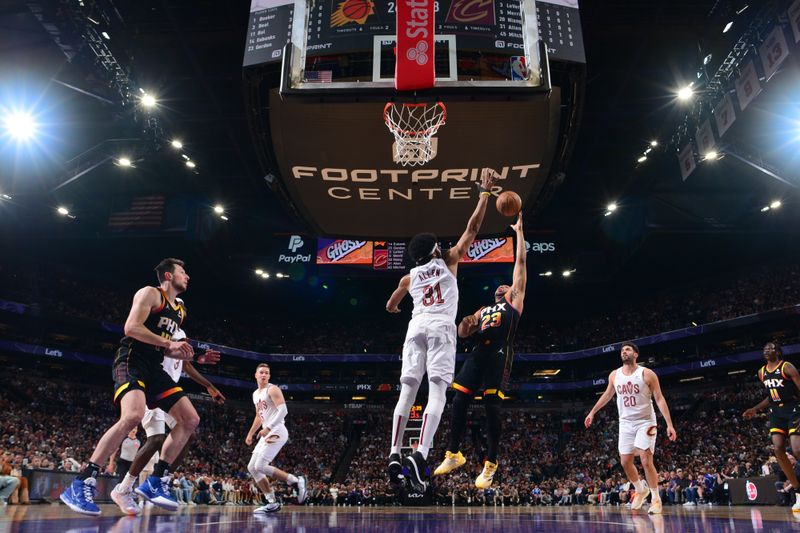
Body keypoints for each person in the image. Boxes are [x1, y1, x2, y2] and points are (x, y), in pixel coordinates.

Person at [60, 258, 202, 516]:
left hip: (154, 366)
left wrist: (187, 356)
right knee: (133, 416)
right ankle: (83, 480)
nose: (188, 276)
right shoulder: (150, 293)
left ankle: (156, 480)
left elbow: (163, 346)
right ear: (168, 276)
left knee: (190, 419)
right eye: (183, 272)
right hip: (131, 360)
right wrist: (169, 344)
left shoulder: (180, 312)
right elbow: (132, 328)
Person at [385, 168, 498, 491]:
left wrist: (395, 307)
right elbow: (472, 228)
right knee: (436, 393)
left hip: (415, 327)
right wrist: (484, 194)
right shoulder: (449, 259)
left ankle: (394, 453)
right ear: (434, 250)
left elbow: (391, 304)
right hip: (440, 328)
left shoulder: (409, 277)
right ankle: (420, 455)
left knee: (407, 391)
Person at [433, 212, 526, 489]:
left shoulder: (515, 301)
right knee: (459, 399)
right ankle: (453, 453)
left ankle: (491, 463)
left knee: (491, 406)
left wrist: (519, 233)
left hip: (500, 353)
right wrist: (466, 323)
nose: (502, 285)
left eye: (506, 285)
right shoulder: (483, 309)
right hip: (477, 352)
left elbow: (520, 262)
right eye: (500, 285)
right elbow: (463, 333)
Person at [110, 324, 224, 515]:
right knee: (156, 439)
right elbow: (163, 350)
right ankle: (124, 488)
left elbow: (186, 364)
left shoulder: (181, 334)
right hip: (153, 387)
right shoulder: (159, 329)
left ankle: (161, 480)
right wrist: (197, 356)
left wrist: (209, 385)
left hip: (168, 392)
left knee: (189, 434)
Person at [584, 342, 677, 514]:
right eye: (622, 350)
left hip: (645, 422)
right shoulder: (614, 375)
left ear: (636, 354)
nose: (624, 352)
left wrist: (669, 424)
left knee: (645, 460)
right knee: (625, 462)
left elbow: (660, 399)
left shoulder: (647, 374)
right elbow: (607, 394)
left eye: (627, 349)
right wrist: (592, 412)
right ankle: (641, 489)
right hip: (625, 423)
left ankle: (656, 499)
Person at [743, 341, 800, 511]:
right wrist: (755, 409)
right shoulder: (761, 372)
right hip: (776, 412)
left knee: (797, 449)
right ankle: (798, 490)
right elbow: (771, 396)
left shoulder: (787, 367)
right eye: (765, 348)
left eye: (771, 348)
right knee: (778, 448)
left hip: (794, 408)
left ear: (778, 351)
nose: (767, 350)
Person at [245, 363, 307, 514]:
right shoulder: (255, 394)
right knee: (252, 467)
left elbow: (283, 410)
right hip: (268, 431)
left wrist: (268, 427)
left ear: (269, 376)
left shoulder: (272, 389)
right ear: (256, 375)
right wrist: (250, 433)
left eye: (267, 373)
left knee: (260, 465)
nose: (264, 375)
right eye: (261, 372)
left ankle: (295, 480)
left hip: (277, 429)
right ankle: (272, 502)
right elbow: (258, 416)